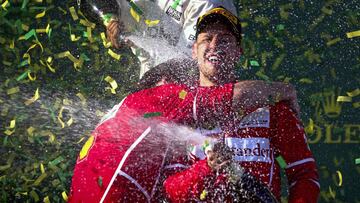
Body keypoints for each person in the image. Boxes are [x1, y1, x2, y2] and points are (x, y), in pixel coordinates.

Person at [162, 7, 320, 203]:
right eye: (206, 38)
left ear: (239, 51)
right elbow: (170, 190)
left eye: (225, 40)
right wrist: (206, 167)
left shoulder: (272, 109)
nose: (214, 45)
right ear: (194, 50)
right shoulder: (180, 112)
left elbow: (304, 175)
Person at [79, 0, 237, 78]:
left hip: (193, 93)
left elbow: (189, 65)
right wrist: (109, 18)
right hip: (148, 85)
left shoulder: (208, 3)